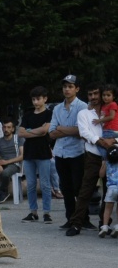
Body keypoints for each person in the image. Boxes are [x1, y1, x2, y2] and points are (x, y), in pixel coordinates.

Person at [65, 82, 114, 236]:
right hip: (93, 155)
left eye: (95, 94)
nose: (93, 97)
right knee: (85, 190)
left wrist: (113, 143)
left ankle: (104, 223)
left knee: (110, 190)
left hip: (112, 155)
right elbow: (84, 132)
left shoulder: (110, 112)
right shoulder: (84, 114)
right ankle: (76, 223)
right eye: (90, 94)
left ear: (101, 94)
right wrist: (101, 141)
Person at [48, 75, 89, 229]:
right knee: (66, 188)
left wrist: (61, 128)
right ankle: (70, 218)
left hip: (77, 152)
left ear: (77, 89)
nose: (67, 89)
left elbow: (81, 131)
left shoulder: (83, 107)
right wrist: (69, 130)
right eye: (65, 86)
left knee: (78, 187)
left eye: (70, 86)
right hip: (60, 152)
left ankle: (83, 218)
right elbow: (51, 133)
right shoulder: (57, 108)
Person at [19, 86, 53, 223]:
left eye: (38, 99)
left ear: (45, 99)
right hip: (29, 153)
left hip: (43, 152)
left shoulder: (49, 114)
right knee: (31, 184)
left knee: (45, 184)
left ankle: (47, 212)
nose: (35, 102)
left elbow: (45, 131)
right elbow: (21, 133)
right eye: (33, 99)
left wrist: (30, 131)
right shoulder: (27, 114)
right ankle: (33, 212)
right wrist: (36, 131)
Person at [0, 117, 24, 203]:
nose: (6, 129)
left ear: (13, 129)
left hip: (15, 164)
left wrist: (6, 162)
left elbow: (22, 156)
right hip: (2, 164)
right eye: (4, 127)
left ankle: (3, 192)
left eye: (9, 127)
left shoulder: (18, 139)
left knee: (5, 173)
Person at [92, 84, 118, 158]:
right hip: (107, 130)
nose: (105, 97)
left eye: (108, 95)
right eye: (104, 95)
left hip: (111, 130)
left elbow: (111, 117)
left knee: (100, 144)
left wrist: (99, 120)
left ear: (114, 96)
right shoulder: (104, 106)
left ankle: (106, 159)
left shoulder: (113, 104)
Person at [99, 146, 118, 237]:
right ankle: (117, 227)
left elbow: (101, 175)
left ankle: (105, 226)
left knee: (107, 209)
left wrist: (103, 164)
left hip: (111, 189)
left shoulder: (107, 162)